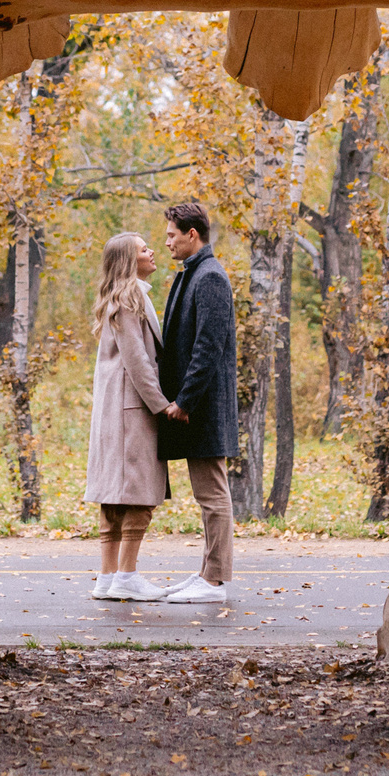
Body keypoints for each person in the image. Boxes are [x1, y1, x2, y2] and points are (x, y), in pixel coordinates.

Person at [81, 231, 184, 601]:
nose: (152, 250)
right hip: (132, 410)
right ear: (129, 260)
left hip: (113, 411)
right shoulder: (131, 296)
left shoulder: (116, 298)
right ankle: (126, 575)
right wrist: (162, 405)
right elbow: (138, 361)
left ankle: (107, 577)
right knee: (138, 495)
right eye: (143, 249)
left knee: (114, 497)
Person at [153, 201, 239, 603]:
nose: (166, 242)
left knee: (213, 495)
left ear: (192, 234)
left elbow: (208, 346)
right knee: (207, 495)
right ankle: (206, 572)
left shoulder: (210, 277)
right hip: (197, 406)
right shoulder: (194, 273)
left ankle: (215, 581)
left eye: (172, 235)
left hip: (204, 407)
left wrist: (184, 401)